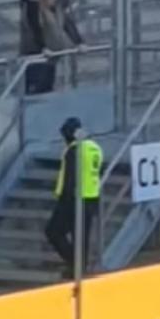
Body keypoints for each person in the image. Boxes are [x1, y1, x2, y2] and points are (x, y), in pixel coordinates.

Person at [43, 116, 103, 272]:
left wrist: (63, 198)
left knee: (53, 231)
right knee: (81, 237)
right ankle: (79, 266)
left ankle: (75, 264)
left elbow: (70, 176)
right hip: (91, 197)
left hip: (73, 198)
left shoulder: (74, 150)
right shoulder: (95, 148)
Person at [19, 0, 81, 94]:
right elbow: (33, 27)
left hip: (50, 50)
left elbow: (67, 18)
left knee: (46, 85)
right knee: (34, 85)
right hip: (35, 50)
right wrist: (42, 47)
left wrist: (79, 42)